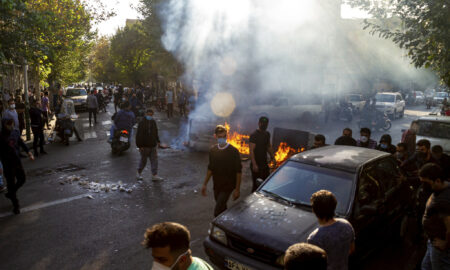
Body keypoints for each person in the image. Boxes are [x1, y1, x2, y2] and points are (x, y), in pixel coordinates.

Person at [307, 190, 355, 270]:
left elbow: (314, 265)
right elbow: (352, 249)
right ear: (334, 206)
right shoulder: (346, 225)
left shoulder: (314, 238)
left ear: (314, 211)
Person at [202, 125, 242, 217]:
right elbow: (210, 168)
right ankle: (227, 224)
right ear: (215, 136)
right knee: (222, 208)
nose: (222, 139)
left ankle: (216, 230)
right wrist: (205, 184)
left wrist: (237, 189)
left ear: (226, 136)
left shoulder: (233, 151)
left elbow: (238, 172)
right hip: (217, 185)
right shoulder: (213, 150)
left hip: (228, 186)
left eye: (224, 136)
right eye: (220, 137)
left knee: (217, 211)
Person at [142, 222, 213, 270]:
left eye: (162, 260)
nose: (155, 264)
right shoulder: (194, 261)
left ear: (182, 260)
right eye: (154, 258)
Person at [0, 119, 35, 214]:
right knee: (11, 184)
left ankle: (11, 193)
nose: (11, 126)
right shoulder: (1, 136)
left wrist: (29, 153)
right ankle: (16, 205)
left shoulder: (15, 132)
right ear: (4, 125)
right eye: (9, 125)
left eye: (12, 124)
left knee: (22, 179)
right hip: (7, 164)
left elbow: (21, 143)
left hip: (17, 162)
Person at [419, 163, 450, 270]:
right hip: (433, 241)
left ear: (437, 180)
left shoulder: (443, 201)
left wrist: (446, 243)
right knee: (426, 266)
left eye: (426, 183)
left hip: (439, 246)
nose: (423, 187)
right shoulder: (443, 187)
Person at [136, 109, 163, 181]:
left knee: (154, 160)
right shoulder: (142, 123)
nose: (150, 116)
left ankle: (154, 175)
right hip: (145, 146)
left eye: (151, 115)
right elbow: (139, 135)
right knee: (143, 161)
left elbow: (155, 132)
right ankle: (138, 173)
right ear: (146, 114)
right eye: (149, 115)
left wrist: (158, 141)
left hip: (153, 145)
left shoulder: (153, 122)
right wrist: (140, 146)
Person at [249, 116, 275, 192]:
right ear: (259, 123)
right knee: (256, 186)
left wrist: (273, 157)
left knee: (265, 184)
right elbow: (251, 151)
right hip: (256, 164)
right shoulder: (254, 135)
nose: (264, 125)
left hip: (264, 164)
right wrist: (254, 164)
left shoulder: (267, 134)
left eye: (266, 124)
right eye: (262, 123)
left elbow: (268, 146)